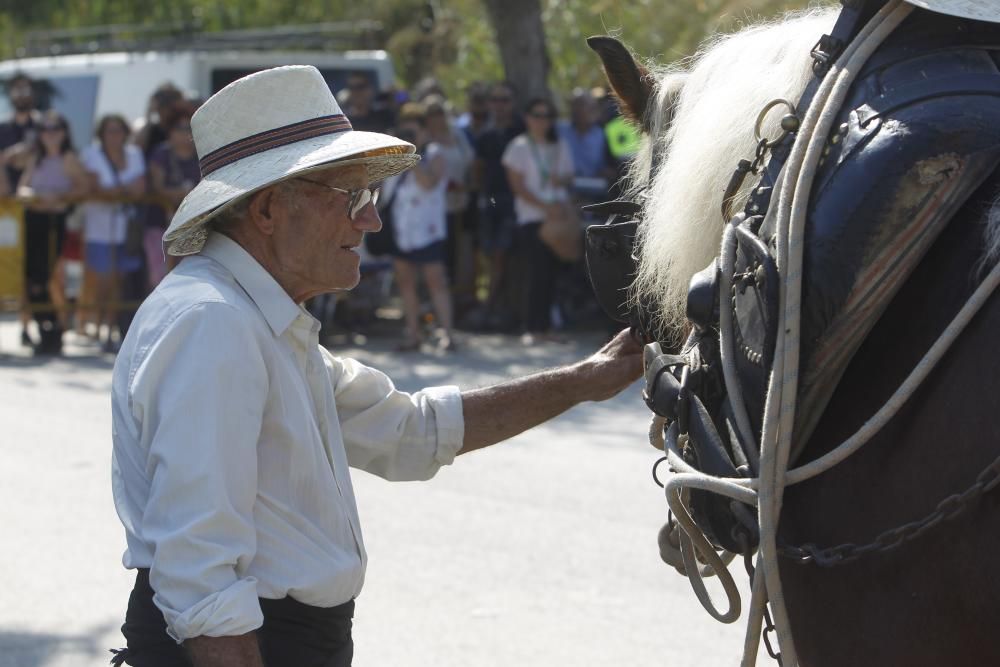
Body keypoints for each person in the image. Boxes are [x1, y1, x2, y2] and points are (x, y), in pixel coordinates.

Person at [109, 65, 642, 667]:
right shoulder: (215, 323)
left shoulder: (256, 318)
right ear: (265, 210)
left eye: (371, 197)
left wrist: (582, 381)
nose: (371, 220)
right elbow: (199, 578)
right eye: (351, 197)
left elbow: (411, 431)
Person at [502, 98, 575, 343]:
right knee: (536, 273)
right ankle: (533, 328)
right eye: (536, 115)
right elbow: (517, 186)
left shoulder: (559, 144)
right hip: (532, 217)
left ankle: (548, 326)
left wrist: (560, 182)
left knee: (554, 273)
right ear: (527, 118)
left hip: (558, 216)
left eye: (546, 116)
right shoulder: (519, 146)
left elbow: (568, 176)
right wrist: (545, 207)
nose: (541, 120)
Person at [15, 110, 89, 354]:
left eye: (55, 129)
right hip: (33, 220)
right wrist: (32, 197)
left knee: (44, 277)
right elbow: (23, 187)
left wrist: (60, 199)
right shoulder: (36, 157)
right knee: (31, 279)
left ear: (64, 132)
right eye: (45, 129)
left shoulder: (68, 158)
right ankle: (47, 330)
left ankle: (53, 329)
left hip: (54, 223)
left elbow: (83, 187)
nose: (50, 134)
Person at [387, 102, 455, 352]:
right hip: (402, 228)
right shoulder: (393, 155)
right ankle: (413, 335)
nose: (408, 138)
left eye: (413, 133)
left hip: (428, 229)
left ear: (424, 132)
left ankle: (448, 334)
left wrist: (412, 158)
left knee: (435, 281)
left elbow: (428, 184)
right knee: (405, 283)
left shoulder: (436, 154)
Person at [79, 114, 146, 351]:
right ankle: (96, 328)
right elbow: (93, 188)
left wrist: (113, 191)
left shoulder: (135, 155)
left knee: (119, 281)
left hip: (125, 229)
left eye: (118, 130)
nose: (114, 135)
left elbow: (139, 189)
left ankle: (111, 330)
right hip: (99, 230)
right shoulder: (91, 155)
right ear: (102, 133)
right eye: (110, 130)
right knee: (102, 282)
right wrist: (118, 191)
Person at [473, 81, 524, 330]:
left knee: (508, 257)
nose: (500, 105)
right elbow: (479, 171)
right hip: (492, 202)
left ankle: (496, 307)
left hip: (518, 201)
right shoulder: (485, 135)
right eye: (495, 100)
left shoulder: (521, 131)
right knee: (492, 257)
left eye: (505, 100)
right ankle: (492, 307)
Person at [424, 96, 475, 313]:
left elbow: (471, 162)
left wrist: (466, 185)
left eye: (440, 113)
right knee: (435, 259)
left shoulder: (457, 136)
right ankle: (431, 309)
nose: (437, 118)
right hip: (432, 208)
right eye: (432, 113)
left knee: (456, 257)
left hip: (459, 205)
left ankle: (454, 306)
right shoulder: (425, 139)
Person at [146, 103, 200, 287]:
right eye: (180, 128)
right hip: (160, 225)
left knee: (192, 277)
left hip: (194, 226)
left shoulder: (201, 155)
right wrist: (183, 193)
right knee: (160, 277)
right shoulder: (161, 154)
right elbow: (157, 187)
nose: (185, 133)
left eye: (189, 128)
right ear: (170, 131)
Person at [0, 73, 41, 188]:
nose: (21, 95)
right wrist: (11, 155)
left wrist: (27, 153)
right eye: (17, 90)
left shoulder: (43, 126)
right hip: (5, 197)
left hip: (36, 196)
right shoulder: (2, 127)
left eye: (25, 89)